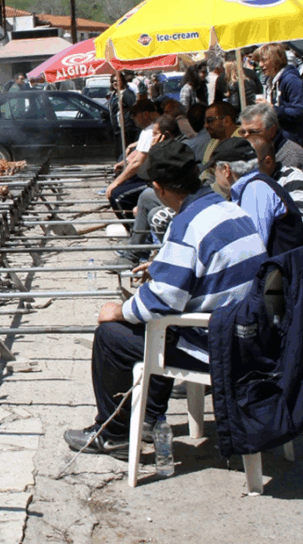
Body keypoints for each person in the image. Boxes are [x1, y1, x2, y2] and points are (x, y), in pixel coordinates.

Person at [63, 140, 266, 458]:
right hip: (255, 333)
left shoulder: (187, 224)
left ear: (158, 187)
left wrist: (119, 311)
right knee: (158, 330)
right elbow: (203, 264)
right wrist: (161, 265)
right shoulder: (227, 208)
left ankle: (113, 433)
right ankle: (148, 417)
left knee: (113, 336)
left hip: (222, 344)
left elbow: (162, 300)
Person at [206, 137, 303, 256]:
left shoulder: (255, 189)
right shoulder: (253, 187)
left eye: (214, 170)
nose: (214, 176)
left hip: (283, 271)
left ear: (226, 170)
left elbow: (253, 249)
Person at [122, 115, 182, 262]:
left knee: (154, 213)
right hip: (167, 192)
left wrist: (154, 151)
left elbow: (155, 174)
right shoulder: (170, 147)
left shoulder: (178, 149)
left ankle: (157, 254)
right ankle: (134, 251)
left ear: (165, 135)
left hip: (180, 196)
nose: (152, 138)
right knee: (146, 195)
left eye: (155, 134)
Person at [106, 100, 157, 225]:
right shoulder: (146, 130)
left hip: (150, 180)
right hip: (142, 176)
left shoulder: (151, 131)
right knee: (121, 186)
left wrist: (115, 183)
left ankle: (135, 231)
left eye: (134, 114)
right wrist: (124, 162)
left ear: (145, 114)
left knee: (117, 196)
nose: (132, 118)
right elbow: (138, 152)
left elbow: (138, 162)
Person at [255, 43, 303, 148]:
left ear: (276, 59)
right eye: (259, 61)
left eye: (264, 60)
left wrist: (272, 109)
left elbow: (299, 111)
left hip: (293, 142)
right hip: (279, 140)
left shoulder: (291, 80)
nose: (261, 65)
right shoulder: (270, 80)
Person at [246, 134, 303, 213]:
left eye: (250, 166)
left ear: (268, 162)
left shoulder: (290, 177)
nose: (245, 171)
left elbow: (299, 218)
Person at [238, 103, 303, 170]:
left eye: (253, 132)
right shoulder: (246, 151)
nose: (246, 136)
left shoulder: (291, 156)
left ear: (272, 130)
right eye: (243, 132)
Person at [108, 73, 138, 160]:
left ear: (123, 81)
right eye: (113, 81)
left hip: (127, 128)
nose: (115, 83)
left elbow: (134, 108)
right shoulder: (114, 94)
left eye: (117, 81)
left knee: (126, 153)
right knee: (119, 152)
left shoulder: (127, 94)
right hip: (117, 128)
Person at [200, 101, 240, 168]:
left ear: (226, 121)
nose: (206, 125)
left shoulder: (242, 141)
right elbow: (206, 173)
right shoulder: (214, 142)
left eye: (210, 120)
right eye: (205, 121)